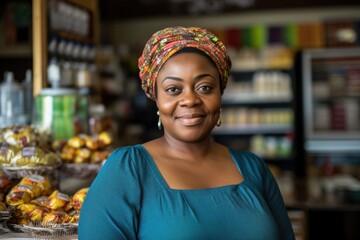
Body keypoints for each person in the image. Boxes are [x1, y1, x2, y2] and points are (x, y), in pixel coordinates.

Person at [78, 26, 295, 240]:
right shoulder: (128, 169)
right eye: (173, 89)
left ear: (221, 93)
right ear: (156, 97)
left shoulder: (254, 169)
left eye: (205, 87)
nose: (190, 100)